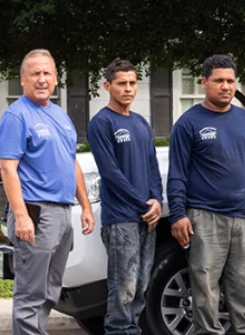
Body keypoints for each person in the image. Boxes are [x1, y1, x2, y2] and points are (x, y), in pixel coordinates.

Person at [167, 54, 245, 334]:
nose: (225, 86)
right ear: (204, 82)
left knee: (244, 285)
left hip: (244, 218)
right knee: (205, 286)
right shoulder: (188, 123)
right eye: (218, 80)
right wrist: (178, 214)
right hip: (205, 218)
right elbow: (177, 174)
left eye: (230, 81)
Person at [0, 49, 95, 335]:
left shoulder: (60, 116)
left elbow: (71, 162)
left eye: (47, 73)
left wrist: (85, 205)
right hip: (35, 212)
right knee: (30, 293)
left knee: (50, 290)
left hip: (63, 213)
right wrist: (21, 215)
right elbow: (8, 169)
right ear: (23, 80)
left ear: (55, 79)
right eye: (35, 74)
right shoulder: (17, 116)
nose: (42, 79)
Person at [87, 59, 163, 335]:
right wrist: (142, 204)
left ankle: (132, 330)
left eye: (132, 83)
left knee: (141, 285)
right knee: (124, 286)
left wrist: (157, 201)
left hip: (147, 218)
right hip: (121, 219)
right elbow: (110, 173)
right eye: (121, 83)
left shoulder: (141, 123)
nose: (128, 88)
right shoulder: (101, 123)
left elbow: (153, 166)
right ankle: (118, 330)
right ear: (108, 86)